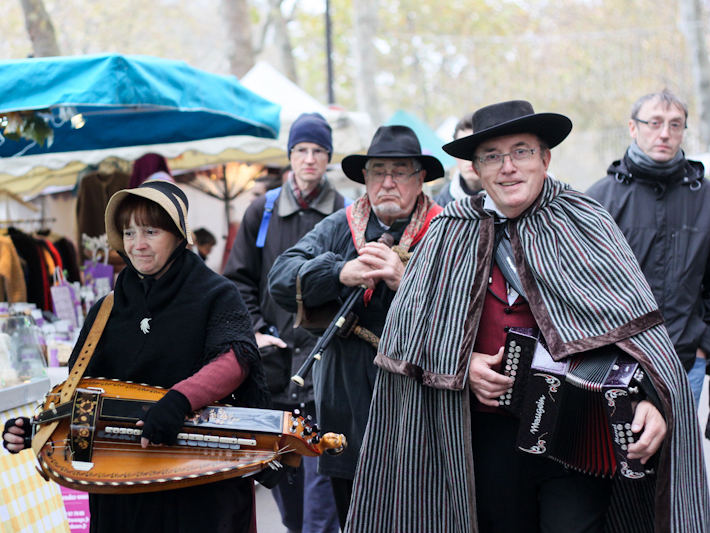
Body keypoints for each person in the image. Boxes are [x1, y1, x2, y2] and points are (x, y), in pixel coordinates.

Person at [345, 100, 709, 533]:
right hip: (487, 437)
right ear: (475, 168)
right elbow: (406, 339)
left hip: (578, 434)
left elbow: (638, 329)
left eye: (521, 151)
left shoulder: (586, 221)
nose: (508, 167)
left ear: (545, 159)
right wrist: (462, 367)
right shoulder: (447, 232)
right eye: (492, 156)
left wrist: (651, 398)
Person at [2, 180, 269, 533]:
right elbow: (83, 392)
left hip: (198, 484)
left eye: (150, 231)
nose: (137, 244)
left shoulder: (217, 294)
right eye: (128, 233)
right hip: (122, 486)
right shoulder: (106, 309)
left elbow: (235, 359)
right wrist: (39, 427)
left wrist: (179, 401)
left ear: (178, 234)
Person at [268, 125, 445, 530]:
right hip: (345, 409)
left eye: (400, 172)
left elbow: (466, 306)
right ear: (364, 179)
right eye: (377, 171)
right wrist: (338, 271)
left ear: (420, 179)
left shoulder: (445, 230)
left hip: (418, 408)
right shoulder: (339, 226)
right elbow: (280, 278)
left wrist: (405, 280)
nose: (387, 182)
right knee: (354, 517)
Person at [224, 112, 344, 533]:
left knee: (321, 497)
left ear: (328, 157)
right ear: (290, 155)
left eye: (318, 151)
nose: (309, 159)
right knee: (287, 494)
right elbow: (236, 278)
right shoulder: (263, 209)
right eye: (301, 150)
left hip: (326, 370)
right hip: (276, 372)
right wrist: (256, 329)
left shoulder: (347, 214)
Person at [587, 89, 710, 407]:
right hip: (617, 362)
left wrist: (702, 345)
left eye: (675, 124)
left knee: (679, 455)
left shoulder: (705, 198)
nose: (665, 134)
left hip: (685, 362)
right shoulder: (600, 199)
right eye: (655, 123)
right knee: (618, 455)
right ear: (633, 127)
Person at [433, 112, 482, 205]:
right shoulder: (439, 204)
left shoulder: (507, 200)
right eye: (463, 149)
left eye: (476, 149)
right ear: (455, 154)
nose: (470, 158)